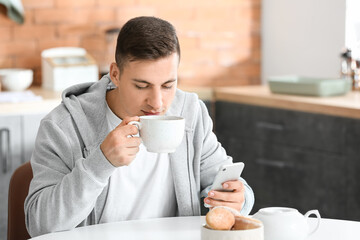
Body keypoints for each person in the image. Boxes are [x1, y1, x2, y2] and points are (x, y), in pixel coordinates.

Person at [25, 16, 254, 237]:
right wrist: (100, 163)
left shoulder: (191, 112)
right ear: (115, 74)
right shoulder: (63, 125)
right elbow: (39, 224)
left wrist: (239, 199)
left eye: (167, 85)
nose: (157, 102)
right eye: (142, 85)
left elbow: (226, 182)